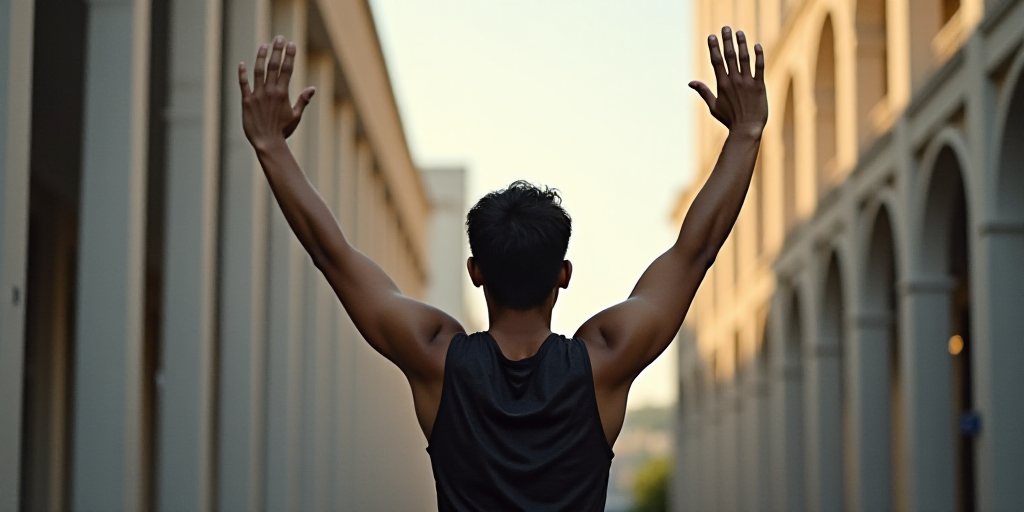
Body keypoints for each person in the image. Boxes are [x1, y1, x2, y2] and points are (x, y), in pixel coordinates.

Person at [237, 25, 767, 511]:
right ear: (564, 274)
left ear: (476, 271)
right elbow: (695, 252)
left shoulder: (436, 357)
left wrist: (271, 144)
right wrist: (744, 133)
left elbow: (333, 255)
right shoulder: (604, 358)